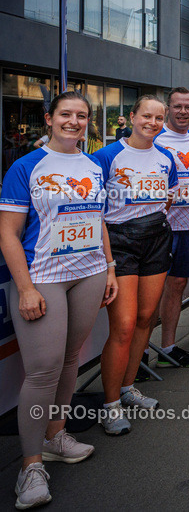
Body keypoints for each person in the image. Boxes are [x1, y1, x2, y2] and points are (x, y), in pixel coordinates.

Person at [0, 91, 118, 510]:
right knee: (42, 371)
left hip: (87, 273)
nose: (74, 121)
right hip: (44, 276)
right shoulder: (25, 166)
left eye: (82, 115)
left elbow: (97, 217)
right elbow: (8, 233)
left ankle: (55, 436)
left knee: (70, 359)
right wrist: (26, 287)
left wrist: (109, 266)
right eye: (65, 114)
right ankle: (30, 467)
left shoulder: (92, 163)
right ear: (49, 119)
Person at [93, 95, 179, 435]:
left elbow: (167, 197)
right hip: (120, 241)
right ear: (131, 117)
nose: (153, 123)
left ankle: (128, 387)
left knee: (147, 318)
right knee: (125, 325)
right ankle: (110, 405)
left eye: (160, 118)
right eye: (147, 116)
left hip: (156, 236)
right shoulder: (106, 156)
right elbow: (93, 208)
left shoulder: (166, 158)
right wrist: (109, 257)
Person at [151, 88, 189, 370]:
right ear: (168, 109)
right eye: (178, 107)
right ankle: (137, 356)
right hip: (163, 227)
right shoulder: (155, 141)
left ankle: (167, 349)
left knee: (179, 285)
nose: (183, 112)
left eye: (188, 107)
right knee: (154, 293)